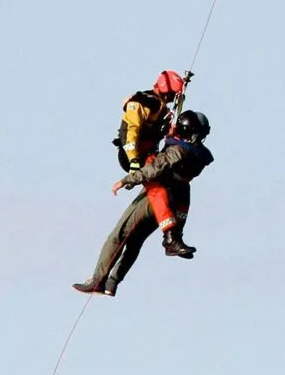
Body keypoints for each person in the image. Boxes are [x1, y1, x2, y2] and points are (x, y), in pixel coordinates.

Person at [75, 112, 214, 296]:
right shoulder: (199, 155)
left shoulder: (177, 152)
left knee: (119, 235)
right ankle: (112, 282)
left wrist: (126, 180)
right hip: (171, 202)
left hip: (154, 198)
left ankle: (97, 280)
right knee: (135, 241)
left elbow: (153, 170)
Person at [112, 70, 187, 174]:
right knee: (162, 175)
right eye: (172, 95)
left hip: (149, 153)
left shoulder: (161, 109)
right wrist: (133, 159)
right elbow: (131, 129)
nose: (171, 99)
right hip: (134, 155)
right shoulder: (145, 102)